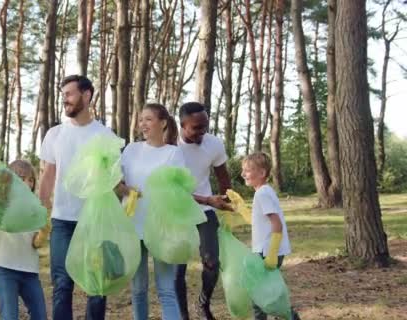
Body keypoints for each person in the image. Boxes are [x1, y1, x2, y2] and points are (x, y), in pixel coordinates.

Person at [38, 74, 116, 320]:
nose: (65, 100)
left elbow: (114, 181)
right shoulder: (54, 134)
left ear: (87, 95)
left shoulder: (105, 135)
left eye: (69, 95)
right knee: (62, 284)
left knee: (96, 286)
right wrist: (42, 211)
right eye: (63, 96)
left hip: (95, 221)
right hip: (62, 220)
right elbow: (47, 176)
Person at [116, 103, 185, 320]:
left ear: (163, 123)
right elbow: (116, 183)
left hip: (161, 227)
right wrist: (126, 189)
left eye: (148, 119)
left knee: (165, 289)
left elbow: (179, 191)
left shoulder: (173, 154)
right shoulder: (131, 150)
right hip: (132, 224)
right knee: (138, 290)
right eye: (141, 119)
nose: (143, 124)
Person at [174, 102, 233, 320]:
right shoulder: (170, 146)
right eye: (196, 128)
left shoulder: (214, 144)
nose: (202, 132)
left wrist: (228, 201)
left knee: (212, 262)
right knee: (177, 268)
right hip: (177, 210)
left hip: (205, 210)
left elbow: (223, 176)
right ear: (182, 125)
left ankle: (203, 304)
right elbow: (171, 190)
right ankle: (182, 314)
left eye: (205, 126)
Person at [240, 152, 300, 320]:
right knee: (264, 294)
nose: (243, 174)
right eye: (243, 170)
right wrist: (240, 209)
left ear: (262, 173)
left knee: (259, 296)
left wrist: (272, 252)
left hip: (267, 252)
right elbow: (260, 221)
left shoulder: (263, 193)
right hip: (266, 250)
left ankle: (290, 316)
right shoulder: (263, 191)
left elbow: (276, 223)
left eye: (248, 170)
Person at [0, 159, 49, 320]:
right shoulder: (0, 203)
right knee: (9, 316)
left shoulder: (35, 208)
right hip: (4, 269)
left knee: (40, 315)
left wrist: (43, 232)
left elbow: (35, 243)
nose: (27, 184)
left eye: (31, 180)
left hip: (29, 271)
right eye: (22, 179)